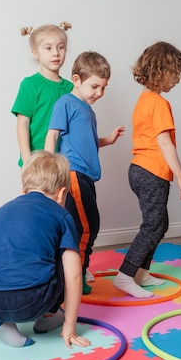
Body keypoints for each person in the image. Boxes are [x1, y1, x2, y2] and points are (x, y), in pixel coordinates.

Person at [0, 151, 91, 349]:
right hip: (30, 302)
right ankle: (47, 316)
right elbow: (74, 276)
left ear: (24, 190)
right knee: (63, 259)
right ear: (62, 194)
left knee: (11, 257)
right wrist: (70, 326)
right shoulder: (61, 215)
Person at [113, 42, 181, 298]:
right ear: (162, 71)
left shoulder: (144, 100)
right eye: (175, 73)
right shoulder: (158, 103)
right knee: (152, 225)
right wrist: (180, 176)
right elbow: (164, 144)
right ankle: (125, 275)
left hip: (139, 170)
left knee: (160, 224)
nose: (178, 80)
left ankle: (141, 272)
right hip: (152, 172)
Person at [44, 51, 125, 295]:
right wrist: (50, 170)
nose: (99, 93)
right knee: (86, 227)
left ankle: (78, 271)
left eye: (103, 88)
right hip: (73, 174)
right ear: (76, 80)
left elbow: (85, 141)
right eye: (94, 86)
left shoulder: (87, 109)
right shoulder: (66, 103)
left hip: (86, 176)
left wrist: (108, 140)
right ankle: (75, 277)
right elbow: (52, 136)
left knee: (86, 226)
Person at [12, 22, 73, 167]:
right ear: (35, 53)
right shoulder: (30, 85)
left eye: (61, 47)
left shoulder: (70, 88)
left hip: (63, 162)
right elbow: (23, 124)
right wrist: (27, 161)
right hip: (36, 162)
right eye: (48, 48)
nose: (56, 53)